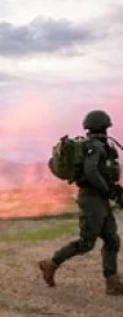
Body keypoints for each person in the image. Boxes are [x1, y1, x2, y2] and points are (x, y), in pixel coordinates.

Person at [39, 110, 123, 295]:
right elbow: (91, 171)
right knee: (87, 242)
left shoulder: (100, 145)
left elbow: (102, 172)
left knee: (112, 239)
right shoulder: (95, 146)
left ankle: (112, 281)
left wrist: (113, 190)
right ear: (104, 126)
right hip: (92, 197)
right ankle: (51, 263)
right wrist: (110, 191)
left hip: (99, 196)